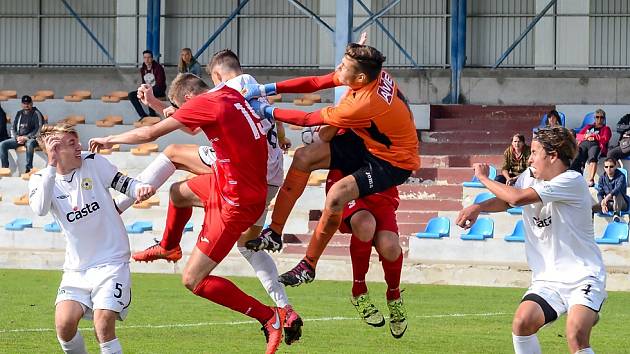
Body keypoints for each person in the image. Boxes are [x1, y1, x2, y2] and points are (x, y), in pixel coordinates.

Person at [89, 73, 291, 353]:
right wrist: (158, 104)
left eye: (181, 106)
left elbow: (149, 133)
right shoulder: (231, 95)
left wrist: (111, 138)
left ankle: (269, 317)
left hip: (235, 202)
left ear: (187, 98)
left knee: (193, 280)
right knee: (178, 193)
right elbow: (193, 126)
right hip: (237, 182)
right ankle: (169, 247)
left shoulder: (205, 103)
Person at [243, 43, 420, 287]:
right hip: (370, 143)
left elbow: (306, 119)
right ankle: (274, 232)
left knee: (337, 195)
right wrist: (266, 88)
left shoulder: (362, 104)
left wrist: (265, 109)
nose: (338, 68)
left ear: (359, 77)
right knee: (304, 156)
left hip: (393, 162)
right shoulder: (371, 75)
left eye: (344, 66)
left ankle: (309, 265)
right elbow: (317, 82)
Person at [457, 126, 607, 354]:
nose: (530, 159)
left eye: (535, 152)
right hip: (548, 280)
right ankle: (586, 310)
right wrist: (478, 207)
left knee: (575, 333)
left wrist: (481, 178)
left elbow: (516, 199)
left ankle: (586, 309)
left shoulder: (572, 180)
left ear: (553, 155)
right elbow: (507, 201)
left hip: (583, 276)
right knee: (522, 322)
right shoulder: (529, 176)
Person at [28, 123, 155, 354]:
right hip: (77, 269)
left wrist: (140, 189)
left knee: (103, 324)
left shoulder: (93, 162)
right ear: (53, 151)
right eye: (71, 144)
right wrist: (51, 165)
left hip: (112, 262)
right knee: (64, 326)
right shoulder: (40, 179)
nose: (79, 147)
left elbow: (122, 182)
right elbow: (40, 208)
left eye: (77, 141)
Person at [0, 95, 44, 173]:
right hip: (19, 139)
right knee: (2, 144)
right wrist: (17, 137)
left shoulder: (36, 113)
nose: (26, 105)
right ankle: (5, 168)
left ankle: (29, 168)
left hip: (32, 139)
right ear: (21, 104)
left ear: (32, 103)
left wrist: (26, 137)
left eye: (28, 103)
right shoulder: (19, 113)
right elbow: (14, 127)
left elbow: (39, 129)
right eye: (24, 103)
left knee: (30, 144)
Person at [570, 109, 611, 187]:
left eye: (601, 117)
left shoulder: (606, 129)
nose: (599, 119)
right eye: (597, 117)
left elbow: (605, 138)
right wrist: (586, 136)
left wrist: (594, 137)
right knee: (577, 156)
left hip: (596, 145)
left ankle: (591, 179)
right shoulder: (588, 126)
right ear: (594, 118)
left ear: (604, 119)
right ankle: (574, 178)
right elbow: (578, 136)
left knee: (593, 157)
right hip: (584, 144)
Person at [128, 49, 166, 120]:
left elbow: (160, 83)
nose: (147, 60)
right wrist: (141, 90)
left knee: (147, 93)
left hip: (158, 90)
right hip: (148, 89)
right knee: (131, 95)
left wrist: (147, 90)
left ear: (152, 58)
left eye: (148, 57)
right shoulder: (143, 69)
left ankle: (152, 114)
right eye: (145, 58)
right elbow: (143, 82)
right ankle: (143, 116)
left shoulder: (158, 68)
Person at [594, 157, 629, 222]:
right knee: (593, 208)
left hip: (622, 203)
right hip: (609, 203)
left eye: (611, 166)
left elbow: (617, 189)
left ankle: (616, 214)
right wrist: (602, 203)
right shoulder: (602, 178)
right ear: (604, 168)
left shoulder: (621, 176)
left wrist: (607, 197)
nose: (608, 169)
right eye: (606, 167)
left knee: (616, 194)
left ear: (615, 167)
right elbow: (600, 192)